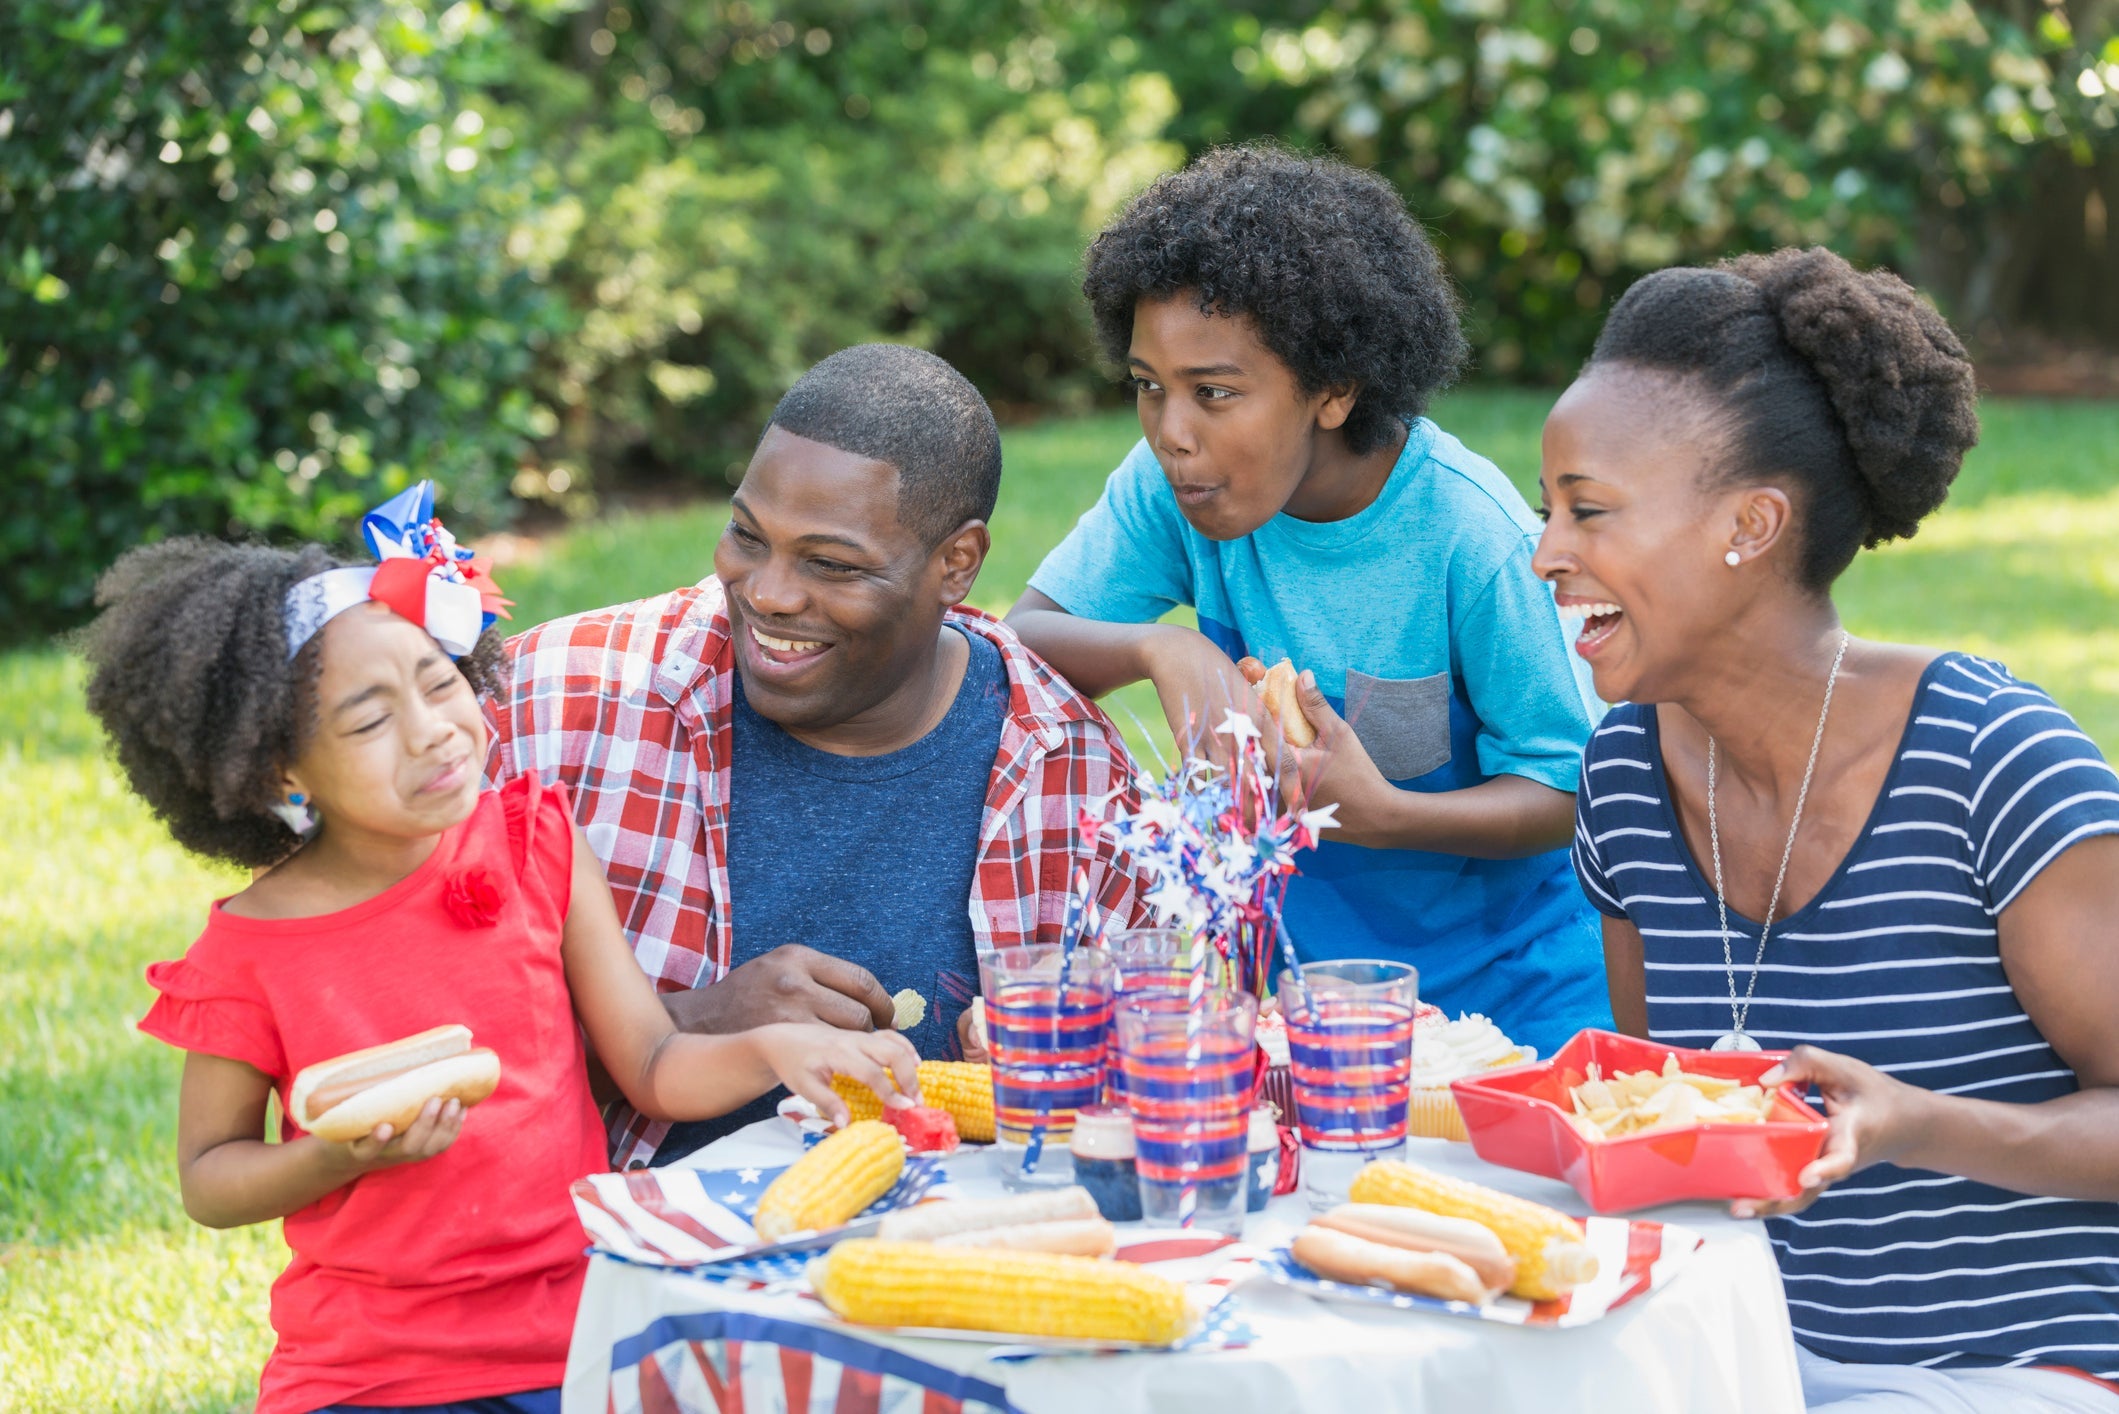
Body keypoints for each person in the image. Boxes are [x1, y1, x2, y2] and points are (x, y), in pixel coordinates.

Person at [84, 498, 917, 1414]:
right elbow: (210, 1177)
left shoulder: (535, 843)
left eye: (438, 683)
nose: (433, 729)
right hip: (371, 1373)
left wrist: (772, 1050)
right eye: (368, 723)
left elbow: (650, 1062)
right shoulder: (250, 950)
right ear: (279, 772)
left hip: (581, 1338)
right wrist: (332, 1160)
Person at [1543, 247, 2119, 1409]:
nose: (1547, 552)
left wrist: (1914, 1124)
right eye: (1546, 509)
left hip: (2022, 1368)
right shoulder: (1621, 776)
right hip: (1733, 1352)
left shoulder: (1991, 760)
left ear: (1751, 524)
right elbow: (1668, 1119)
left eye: (1588, 511)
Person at [1007, 144, 1608, 1056]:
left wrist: (1388, 816)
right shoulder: (1175, 488)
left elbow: (1566, 790)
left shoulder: (1469, 534)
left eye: (1214, 393)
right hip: (1302, 999)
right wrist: (1161, 650)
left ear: (1333, 389)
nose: (1171, 432)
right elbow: (1020, 643)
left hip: (1514, 1000)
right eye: (1146, 387)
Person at [488, 343, 1150, 1166]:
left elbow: (1159, 1093)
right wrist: (695, 1024)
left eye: (830, 564)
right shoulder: (549, 708)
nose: (767, 592)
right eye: (745, 535)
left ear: (957, 564)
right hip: (605, 1264)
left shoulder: (1072, 775)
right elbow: (413, 1055)